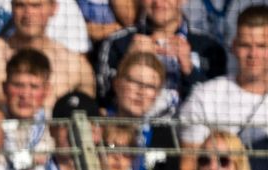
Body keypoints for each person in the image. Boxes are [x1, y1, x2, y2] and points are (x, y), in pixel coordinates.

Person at [177, 5, 268, 144]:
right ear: (234, 46)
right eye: (245, 45)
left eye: (261, 46)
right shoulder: (205, 96)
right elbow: (189, 163)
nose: (253, 54)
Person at [92, 0, 227, 99]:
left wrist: (189, 69)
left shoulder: (210, 48)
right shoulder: (118, 43)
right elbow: (103, 98)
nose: (159, 2)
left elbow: (218, 106)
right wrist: (128, 62)